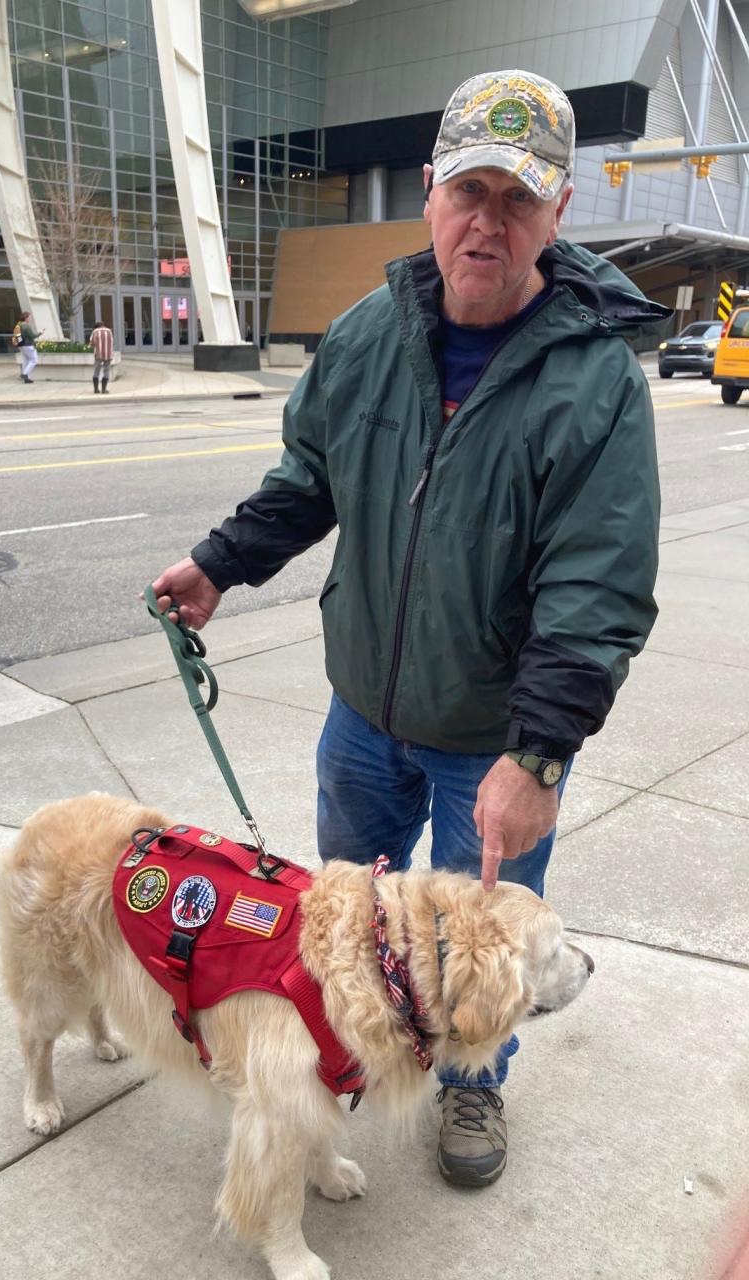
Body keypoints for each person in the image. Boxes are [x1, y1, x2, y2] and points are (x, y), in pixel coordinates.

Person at [151, 69, 669, 1189]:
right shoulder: (366, 334)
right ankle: (347, 1056)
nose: (488, 220)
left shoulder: (594, 383)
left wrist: (537, 755)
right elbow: (309, 481)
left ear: (558, 211)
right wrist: (219, 565)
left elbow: (599, 589)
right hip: (363, 719)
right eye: (468, 189)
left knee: (485, 951)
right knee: (351, 934)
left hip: (494, 738)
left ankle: (475, 1081)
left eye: (518, 198)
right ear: (430, 190)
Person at [13, 312, 40, 383]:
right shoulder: (26, 326)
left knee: (26, 360)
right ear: (26, 318)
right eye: (29, 317)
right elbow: (32, 336)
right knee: (34, 360)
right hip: (28, 345)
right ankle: (24, 374)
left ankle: (27, 379)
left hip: (21, 345)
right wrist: (40, 333)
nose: (30, 318)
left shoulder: (19, 325)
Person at [90, 319, 114, 393]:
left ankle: (96, 389)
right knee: (106, 371)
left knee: (96, 371)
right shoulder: (109, 331)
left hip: (98, 354)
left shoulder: (95, 331)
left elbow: (92, 343)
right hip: (108, 354)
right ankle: (104, 389)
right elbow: (112, 342)